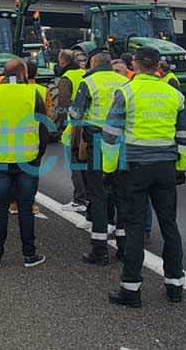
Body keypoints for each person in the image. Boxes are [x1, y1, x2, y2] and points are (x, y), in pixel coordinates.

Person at [103, 46, 186, 307]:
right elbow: (184, 137)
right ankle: (175, 285)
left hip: (135, 167)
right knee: (169, 225)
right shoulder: (175, 95)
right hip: (166, 166)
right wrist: (181, 167)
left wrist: (109, 169)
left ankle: (131, 289)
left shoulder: (126, 92)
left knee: (134, 227)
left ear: (135, 64)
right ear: (157, 66)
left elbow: (110, 135)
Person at [0, 58, 48, 268]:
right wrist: (39, 153)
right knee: (25, 207)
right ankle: (29, 254)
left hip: (1, 159)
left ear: (4, 73)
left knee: (1, 207)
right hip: (28, 159)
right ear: (23, 73)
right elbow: (43, 126)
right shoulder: (33, 93)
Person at [68, 49, 129, 265]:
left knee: (98, 194)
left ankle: (100, 249)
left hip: (97, 141)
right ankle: (124, 247)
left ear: (93, 63)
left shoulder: (89, 82)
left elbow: (75, 114)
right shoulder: (124, 81)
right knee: (121, 194)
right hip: (121, 142)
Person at [53, 49, 89, 212]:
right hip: (89, 123)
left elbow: (63, 104)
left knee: (76, 164)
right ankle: (88, 196)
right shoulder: (84, 73)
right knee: (87, 164)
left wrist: (61, 125)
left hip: (73, 126)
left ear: (62, 62)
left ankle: (79, 198)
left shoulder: (66, 78)